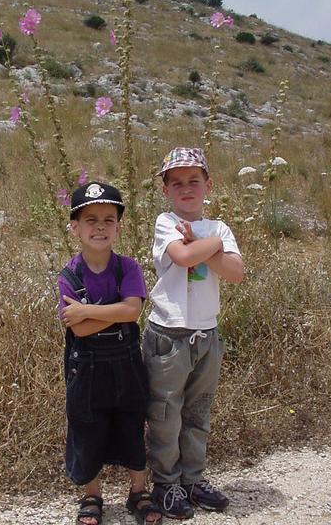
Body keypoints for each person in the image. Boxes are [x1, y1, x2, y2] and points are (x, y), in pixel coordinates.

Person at [143, 147, 244, 520]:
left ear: (208, 185)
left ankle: (192, 479)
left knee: (198, 412)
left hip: (207, 334)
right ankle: (166, 484)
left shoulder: (218, 229)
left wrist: (207, 244)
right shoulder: (165, 221)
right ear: (166, 190)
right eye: (177, 183)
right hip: (170, 334)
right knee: (166, 413)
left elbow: (236, 271)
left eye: (194, 181)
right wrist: (211, 248)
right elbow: (182, 258)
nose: (187, 189)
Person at [58, 181, 161, 525]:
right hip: (86, 369)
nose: (99, 226)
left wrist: (88, 310)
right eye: (90, 219)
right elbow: (79, 329)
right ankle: (92, 495)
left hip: (126, 364)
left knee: (132, 423)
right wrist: (109, 313)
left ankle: (138, 491)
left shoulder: (127, 267)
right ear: (75, 227)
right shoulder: (70, 274)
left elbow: (132, 312)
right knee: (87, 427)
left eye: (108, 219)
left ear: (119, 226)